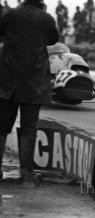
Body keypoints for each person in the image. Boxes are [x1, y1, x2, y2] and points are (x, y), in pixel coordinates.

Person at [0, 0, 59, 181]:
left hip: (8, 80)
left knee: (1, 127)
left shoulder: (11, 15)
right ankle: (27, 171)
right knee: (29, 127)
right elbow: (53, 39)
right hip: (34, 82)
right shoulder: (46, 18)